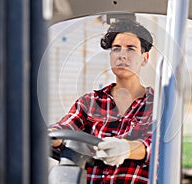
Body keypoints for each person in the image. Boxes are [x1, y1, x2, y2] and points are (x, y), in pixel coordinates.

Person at [49, 19, 154, 183]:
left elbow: (158, 146)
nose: (122, 55)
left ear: (145, 58)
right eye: (116, 49)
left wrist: (127, 149)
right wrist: (51, 137)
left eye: (131, 49)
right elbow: (65, 126)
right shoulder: (90, 102)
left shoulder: (158, 103)